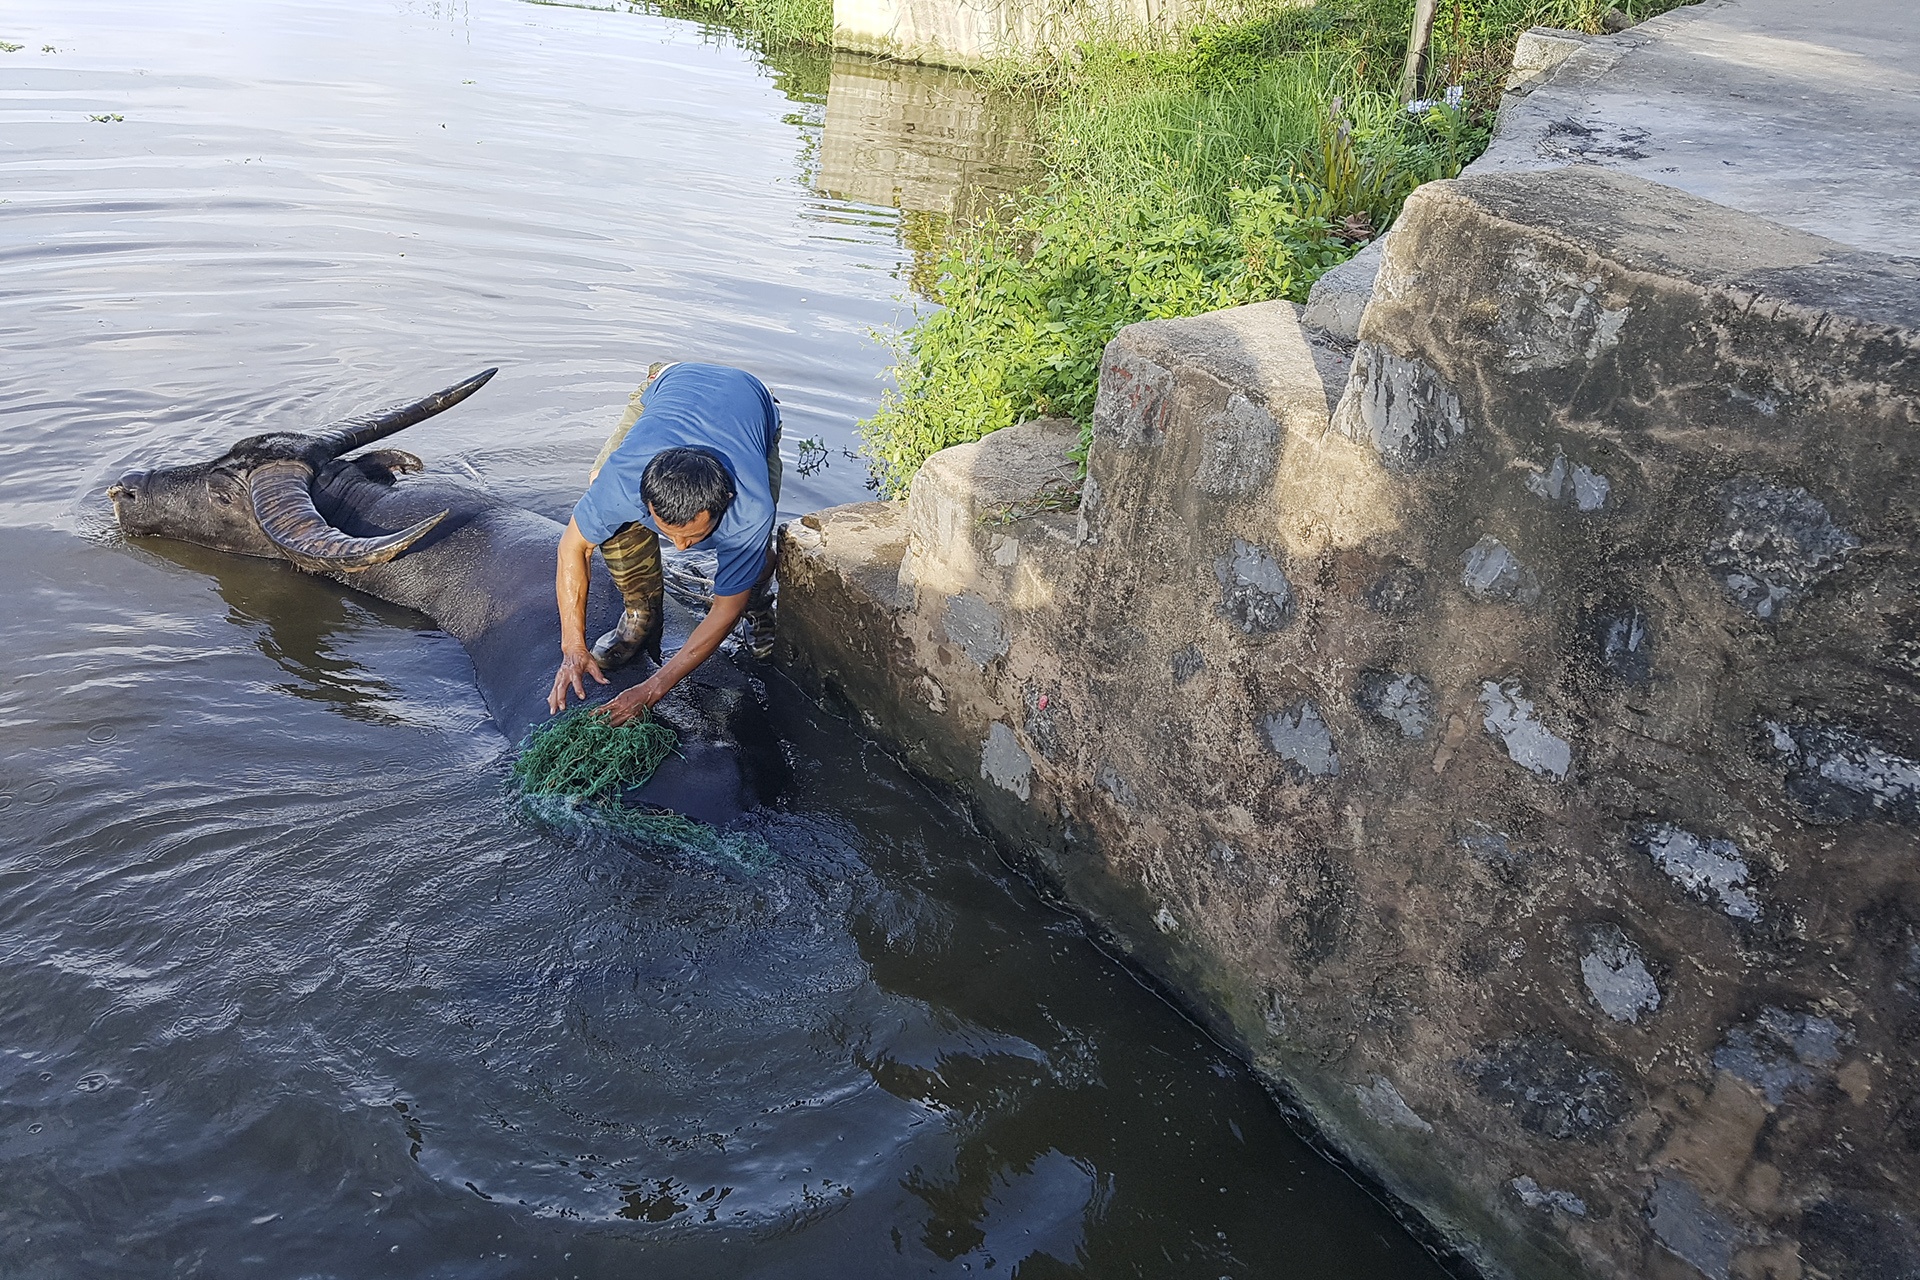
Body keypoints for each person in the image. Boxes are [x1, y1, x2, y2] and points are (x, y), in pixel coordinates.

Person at [547, 361, 780, 724]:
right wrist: (573, 647)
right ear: (646, 500)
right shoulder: (622, 482)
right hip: (672, 385)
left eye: (693, 536)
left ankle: (760, 605)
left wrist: (653, 688)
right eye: (669, 534)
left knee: (751, 557)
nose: (681, 548)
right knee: (600, 495)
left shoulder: (750, 506)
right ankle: (641, 613)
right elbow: (573, 547)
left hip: (748, 402)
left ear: (726, 501)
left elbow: (723, 610)